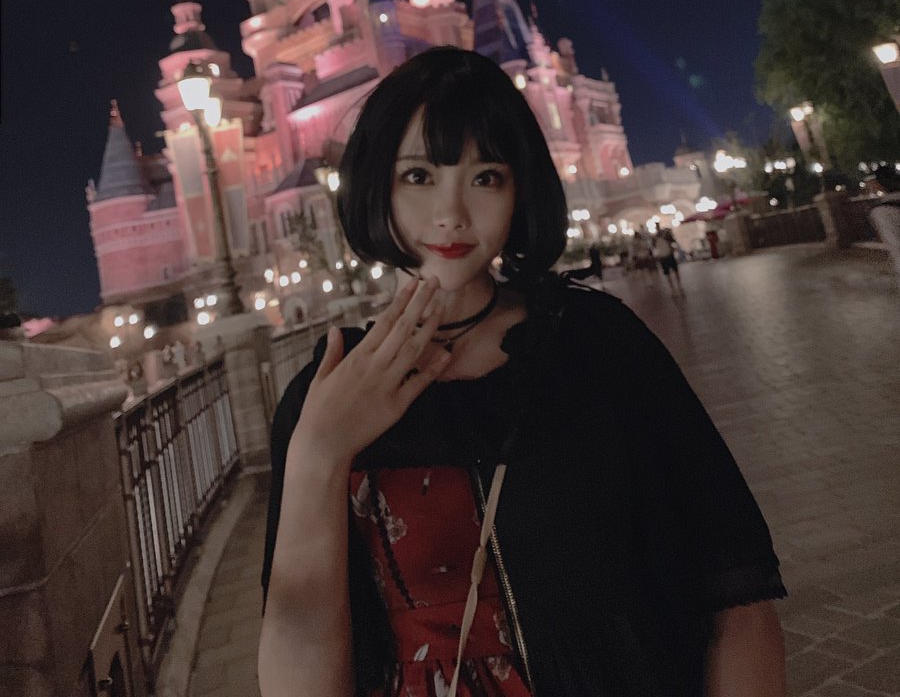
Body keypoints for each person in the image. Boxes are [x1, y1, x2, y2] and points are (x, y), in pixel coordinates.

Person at [259, 47, 787, 697]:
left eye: (485, 177)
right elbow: (298, 643)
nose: (452, 213)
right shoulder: (325, 393)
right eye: (418, 176)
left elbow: (734, 590)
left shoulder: (597, 344)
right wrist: (319, 450)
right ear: (374, 184)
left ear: (519, 190)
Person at [652, 226, 685, 297]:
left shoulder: (658, 237)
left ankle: (675, 288)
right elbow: (674, 243)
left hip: (666, 256)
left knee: (670, 273)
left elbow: (655, 248)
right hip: (666, 256)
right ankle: (676, 287)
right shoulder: (662, 237)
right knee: (672, 273)